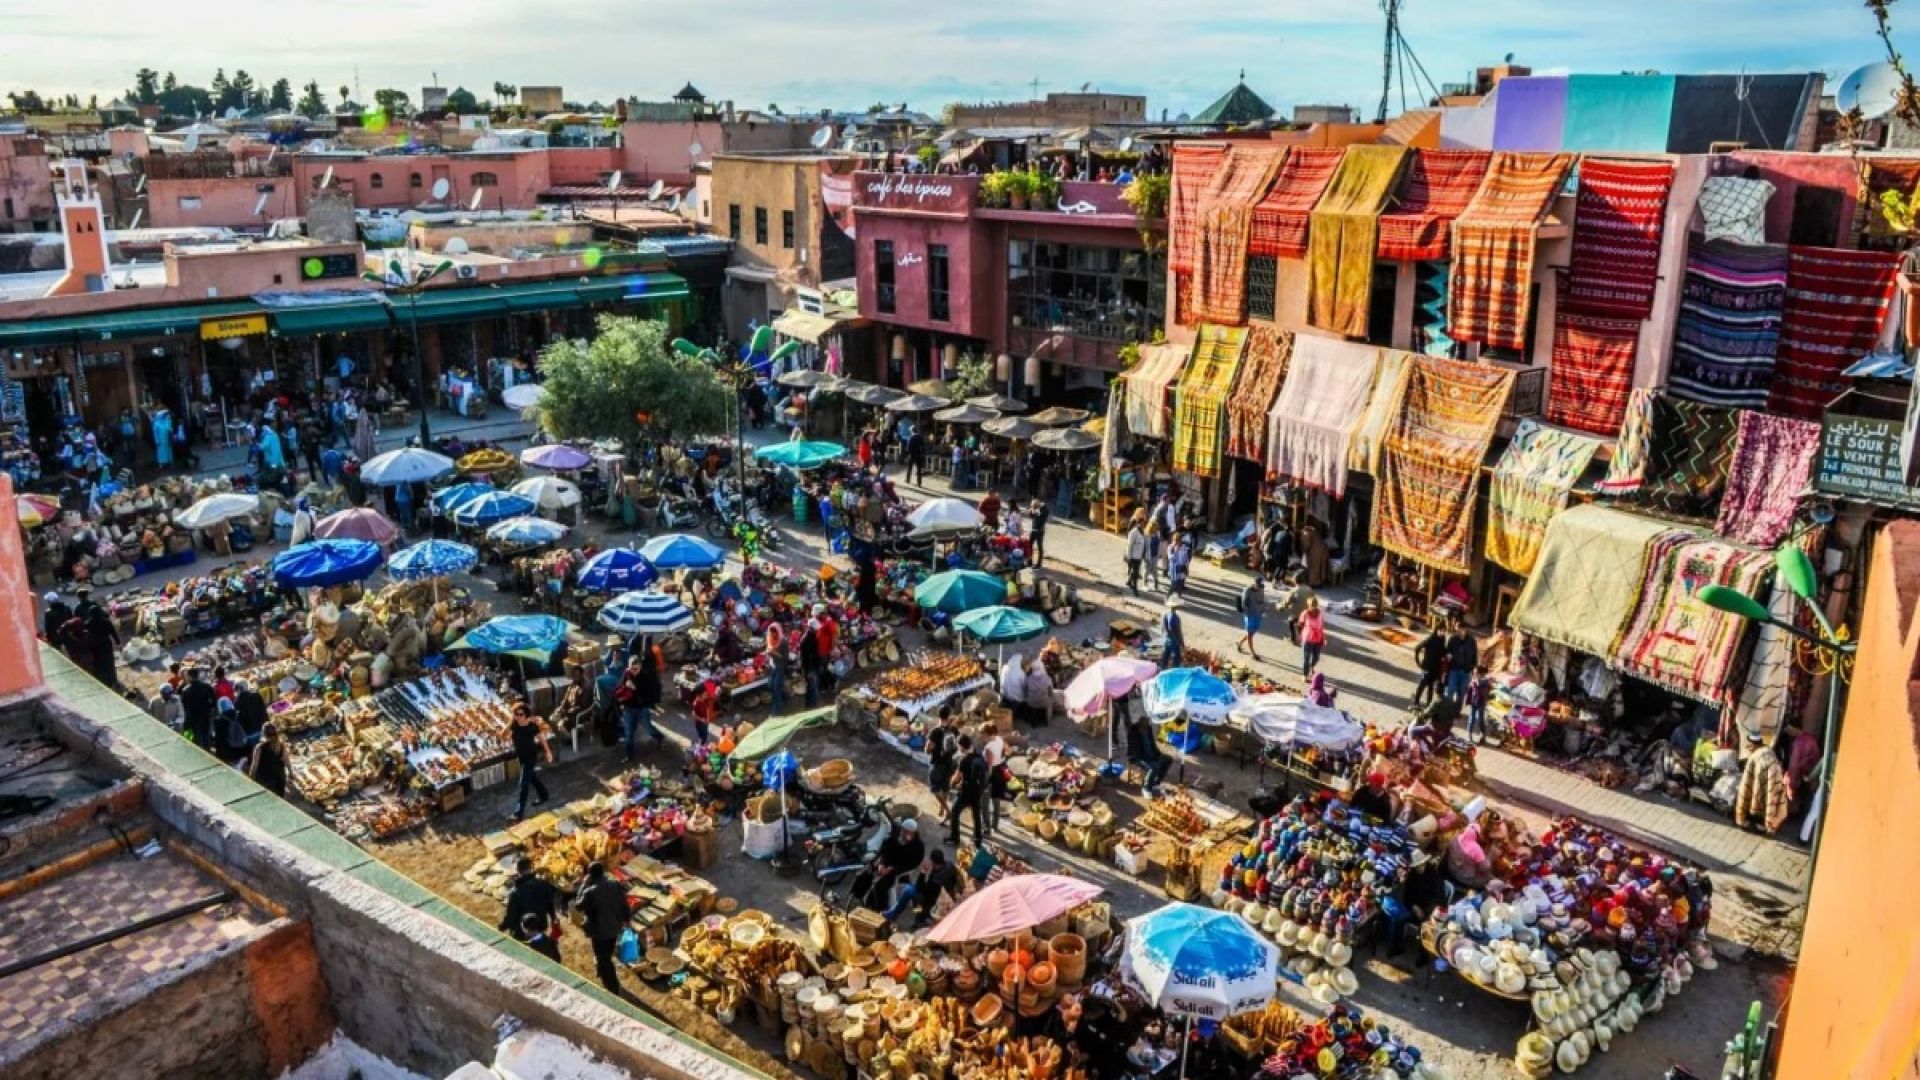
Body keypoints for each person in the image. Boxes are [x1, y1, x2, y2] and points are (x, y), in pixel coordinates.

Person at [575, 862, 629, 996]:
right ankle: (602, 969)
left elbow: (578, 906)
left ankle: (613, 987)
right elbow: (624, 904)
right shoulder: (615, 885)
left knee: (603, 958)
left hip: (599, 932)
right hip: (614, 927)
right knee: (607, 953)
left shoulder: (589, 891)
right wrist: (626, 920)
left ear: (590, 875)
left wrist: (583, 884)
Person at [883, 849, 961, 928]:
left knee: (908, 891)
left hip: (933, 900)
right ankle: (895, 913)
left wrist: (922, 872)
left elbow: (921, 889)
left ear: (933, 862)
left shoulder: (936, 880)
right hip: (946, 893)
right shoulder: (950, 865)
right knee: (910, 888)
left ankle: (893, 915)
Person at [863, 818, 925, 911]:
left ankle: (879, 907)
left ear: (913, 833)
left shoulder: (918, 847)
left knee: (883, 884)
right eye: (903, 830)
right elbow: (885, 848)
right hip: (887, 862)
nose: (903, 834)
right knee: (867, 871)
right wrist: (881, 862)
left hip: (901, 867)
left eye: (907, 832)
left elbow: (911, 863)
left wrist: (892, 868)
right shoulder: (896, 835)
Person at [500, 855, 562, 946]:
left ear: (517, 870)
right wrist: (553, 919)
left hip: (522, 932)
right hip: (539, 927)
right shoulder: (543, 884)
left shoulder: (515, 892)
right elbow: (550, 904)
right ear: (531, 867)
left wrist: (501, 927)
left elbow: (511, 916)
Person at [509, 702, 553, 821]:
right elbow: (503, 735)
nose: (518, 717)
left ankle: (518, 813)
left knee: (523, 784)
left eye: (521, 714)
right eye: (516, 714)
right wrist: (510, 723)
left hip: (531, 757)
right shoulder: (514, 725)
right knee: (532, 778)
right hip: (521, 757)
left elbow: (542, 739)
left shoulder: (532, 726)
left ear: (526, 715)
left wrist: (548, 751)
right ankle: (544, 795)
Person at [616, 654, 665, 761]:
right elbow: (618, 688)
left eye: (636, 669)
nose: (633, 671)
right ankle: (629, 755)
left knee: (648, 728)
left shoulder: (645, 677)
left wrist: (635, 688)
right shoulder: (626, 674)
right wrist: (624, 687)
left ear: (640, 667)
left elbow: (647, 697)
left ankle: (660, 737)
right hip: (628, 708)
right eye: (631, 668)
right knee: (628, 733)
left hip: (642, 709)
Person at [946, 734, 988, 848]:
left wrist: (951, 784)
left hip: (966, 792)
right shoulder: (979, 756)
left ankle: (954, 838)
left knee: (954, 811)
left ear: (961, 746)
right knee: (976, 814)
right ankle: (978, 840)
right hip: (978, 791)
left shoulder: (964, 760)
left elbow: (957, 777)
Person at [926, 707, 960, 817]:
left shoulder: (935, 731)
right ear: (949, 715)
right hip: (950, 763)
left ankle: (947, 810)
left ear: (938, 715)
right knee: (945, 787)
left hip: (937, 764)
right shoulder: (954, 729)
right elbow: (957, 744)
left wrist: (930, 748)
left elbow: (927, 750)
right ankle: (942, 808)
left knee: (935, 789)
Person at [248, 722, 288, 796]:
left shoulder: (259, 747)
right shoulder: (281, 745)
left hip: (265, 780)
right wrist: (291, 772)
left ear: (263, 734)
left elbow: (254, 765)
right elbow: (286, 759)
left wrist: (250, 779)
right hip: (279, 777)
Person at [181, 668, 218, 748]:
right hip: (206, 717)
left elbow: (184, 708)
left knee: (195, 741)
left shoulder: (186, 690)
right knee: (206, 737)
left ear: (190, 676)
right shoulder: (207, 687)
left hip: (193, 720)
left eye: (187, 676)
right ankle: (208, 750)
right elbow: (214, 703)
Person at [1412, 625, 1446, 708]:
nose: (1442, 633)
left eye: (1444, 631)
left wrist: (1446, 654)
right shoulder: (1431, 639)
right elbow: (1417, 648)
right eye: (1441, 631)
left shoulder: (1442, 639)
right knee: (1422, 685)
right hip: (1427, 667)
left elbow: (1442, 651)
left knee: (1431, 687)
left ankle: (1428, 704)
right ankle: (1416, 702)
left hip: (1436, 668)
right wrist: (1418, 662)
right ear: (1437, 630)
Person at [1445, 625, 1478, 705]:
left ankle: (1457, 710)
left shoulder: (1471, 641)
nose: (1461, 631)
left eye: (1463, 629)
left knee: (1461, 693)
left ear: (1466, 629)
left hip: (1466, 671)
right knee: (1450, 690)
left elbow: (1474, 655)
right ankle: (1448, 709)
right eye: (1459, 628)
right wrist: (1448, 655)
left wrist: (1474, 668)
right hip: (1454, 669)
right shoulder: (1453, 639)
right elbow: (1447, 651)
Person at [1236, 578, 1266, 661]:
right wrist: (1248, 614)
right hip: (1250, 615)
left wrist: (1262, 610)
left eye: (1261, 586)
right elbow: (1244, 603)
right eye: (1259, 586)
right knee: (1250, 633)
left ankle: (1239, 643)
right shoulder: (1247, 590)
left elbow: (1262, 600)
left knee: (1251, 633)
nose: (1260, 588)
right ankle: (1252, 653)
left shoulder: (1261, 589)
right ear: (1255, 584)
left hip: (1258, 614)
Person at [1297, 595, 1326, 678]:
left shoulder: (1320, 613)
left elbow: (1322, 625)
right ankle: (1305, 675)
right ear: (1308, 605)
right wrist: (1301, 634)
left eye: (1314, 605)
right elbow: (1300, 624)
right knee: (1306, 658)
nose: (1312, 607)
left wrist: (1322, 637)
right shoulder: (1305, 613)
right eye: (1311, 605)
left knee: (1316, 657)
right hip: (1307, 639)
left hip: (1318, 639)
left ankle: (1312, 667)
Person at [764, 622, 790, 714]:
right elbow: (768, 649)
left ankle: (778, 709)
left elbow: (786, 658)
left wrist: (774, 653)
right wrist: (768, 652)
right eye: (771, 632)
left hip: (780, 667)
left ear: (778, 631)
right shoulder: (770, 638)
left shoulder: (783, 642)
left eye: (774, 633)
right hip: (772, 666)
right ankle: (785, 696)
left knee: (776, 687)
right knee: (770, 685)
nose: (772, 634)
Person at [690, 678, 721, 747]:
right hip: (700, 724)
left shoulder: (705, 699)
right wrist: (702, 719)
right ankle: (700, 747)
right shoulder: (696, 704)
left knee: (705, 735)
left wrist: (707, 718)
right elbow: (693, 715)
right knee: (702, 737)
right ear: (699, 695)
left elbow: (707, 708)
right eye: (704, 693)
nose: (706, 694)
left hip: (705, 722)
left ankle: (701, 745)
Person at [1023, 658, 1053, 727]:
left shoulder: (1028, 678)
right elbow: (1050, 692)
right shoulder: (1047, 678)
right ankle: (1046, 719)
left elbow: (1025, 690)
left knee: (1032, 701)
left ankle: (1033, 720)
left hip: (1032, 702)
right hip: (1044, 701)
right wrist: (1050, 699)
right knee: (1048, 700)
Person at [1124, 511, 1148, 595]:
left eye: (1144, 523)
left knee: (1135, 571)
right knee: (1135, 573)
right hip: (1133, 556)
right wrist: (1129, 557)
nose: (1143, 525)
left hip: (1139, 556)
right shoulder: (1133, 532)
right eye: (1142, 523)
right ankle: (1135, 588)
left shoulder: (1143, 531)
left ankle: (1129, 581)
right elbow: (1129, 545)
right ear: (1138, 523)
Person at [1465, 666, 1491, 743]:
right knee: (1471, 718)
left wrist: (1476, 682)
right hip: (1473, 702)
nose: (1474, 674)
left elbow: (1483, 689)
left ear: (1481, 674)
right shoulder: (1474, 679)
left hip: (1481, 702)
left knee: (1480, 719)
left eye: (1476, 673)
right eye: (1474, 673)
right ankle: (1469, 735)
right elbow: (1469, 689)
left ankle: (1483, 735)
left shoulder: (1485, 681)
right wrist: (1471, 684)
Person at [1159, 596, 1184, 669]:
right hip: (1174, 639)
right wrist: (1181, 643)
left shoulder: (1165, 614)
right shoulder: (1176, 617)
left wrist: (1164, 636)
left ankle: (1162, 668)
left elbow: (1163, 627)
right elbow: (1178, 632)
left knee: (1166, 655)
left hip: (1166, 638)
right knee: (1177, 657)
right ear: (1176, 606)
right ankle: (1175, 669)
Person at [1165, 530, 1193, 596]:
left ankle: (1178, 597)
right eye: (1174, 540)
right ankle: (1167, 597)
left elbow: (1186, 558)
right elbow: (1170, 558)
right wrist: (1176, 551)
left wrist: (1187, 567)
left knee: (1180, 584)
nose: (1176, 542)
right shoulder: (1170, 547)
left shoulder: (1184, 547)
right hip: (1174, 569)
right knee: (1173, 584)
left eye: (1177, 540)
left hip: (1182, 568)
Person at [1027, 499, 1048, 568]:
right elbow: (1031, 516)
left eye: (1034, 507)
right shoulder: (1036, 509)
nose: (1033, 508)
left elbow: (1038, 515)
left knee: (1040, 548)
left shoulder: (1044, 510)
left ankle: (1039, 564)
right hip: (1034, 529)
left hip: (1040, 531)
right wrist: (1030, 512)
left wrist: (1033, 511)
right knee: (1029, 545)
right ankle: (1030, 560)